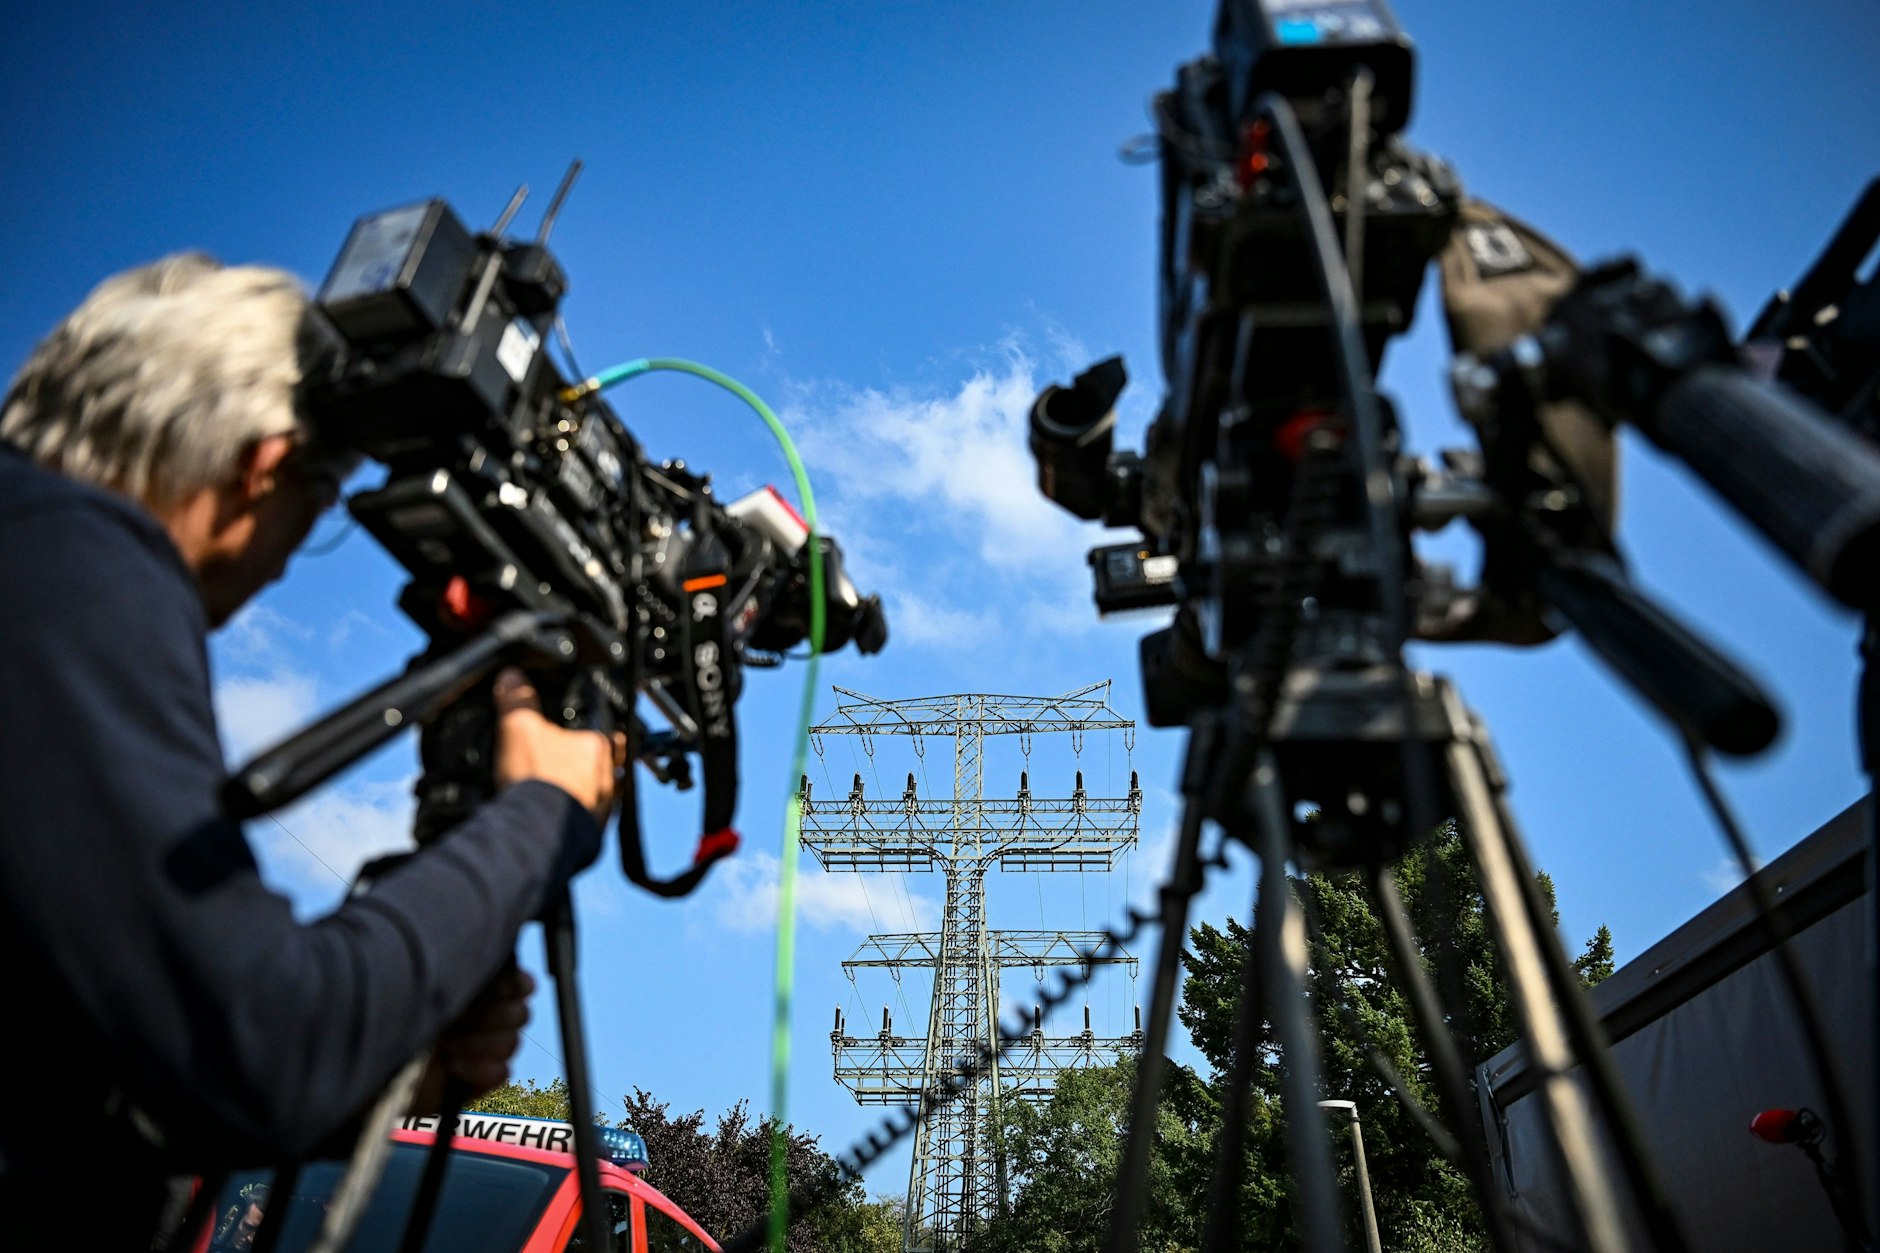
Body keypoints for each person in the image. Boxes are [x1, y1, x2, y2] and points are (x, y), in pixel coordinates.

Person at [0, 254, 619, 1245]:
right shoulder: (77, 569)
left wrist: (392, 1046)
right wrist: (539, 812)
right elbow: (258, 1052)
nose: (290, 553)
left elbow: (140, 1063)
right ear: (265, 464)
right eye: (317, 506)